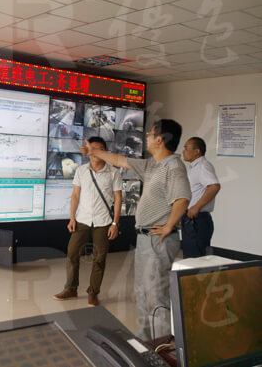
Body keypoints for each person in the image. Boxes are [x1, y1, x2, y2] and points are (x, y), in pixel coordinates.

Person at [81, 119, 191, 340]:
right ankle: (146, 339)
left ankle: (161, 344)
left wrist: (169, 226)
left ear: (160, 140)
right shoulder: (152, 164)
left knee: (156, 294)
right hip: (145, 238)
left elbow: (182, 198)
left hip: (158, 239)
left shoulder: (173, 167)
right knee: (142, 291)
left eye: (150, 133)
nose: (147, 137)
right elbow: (120, 160)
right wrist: (95, 151)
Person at [53, 136, 122, 306]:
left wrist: (115, 223)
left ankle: (93, 292)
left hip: (103, 221)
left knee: (99, 258)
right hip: (82, 219)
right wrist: (72, 218)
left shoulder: (113, 172)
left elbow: (118, 199)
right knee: (72, 253)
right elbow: (75, 195)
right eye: (92, 149)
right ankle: (71, 289)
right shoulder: (81, 170)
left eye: (99, 149)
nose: (95, 152)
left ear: (105, 152)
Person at [181, 137, 221, 258]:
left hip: (198, 220)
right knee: (190, 257)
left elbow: (214, 186)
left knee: (195, 258)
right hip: (191, 219)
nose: (183, 151)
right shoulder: (193, 167)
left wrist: (196, 207)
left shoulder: (202, 166)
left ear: (196, 151)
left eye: (186, 148)